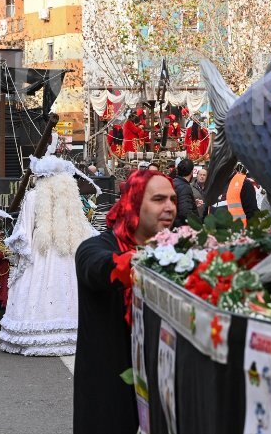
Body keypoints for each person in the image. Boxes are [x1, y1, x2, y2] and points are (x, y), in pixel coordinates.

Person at [74, 169, 176, 434]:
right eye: (158, 199)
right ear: (133, 202)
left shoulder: (176, 249)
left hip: (161, 387)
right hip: (111, 393)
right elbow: (95, 266)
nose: (169, 207)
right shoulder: (96, 247)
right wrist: (138, 262)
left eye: (173, 200)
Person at [0, 160, 95, 355]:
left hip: (40, 251)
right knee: (68, 289)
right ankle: (73, 332)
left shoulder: (33, 196)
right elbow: (85, 228)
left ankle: (34, 335)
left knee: (36, 288)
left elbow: (23, 230)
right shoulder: (70, 197)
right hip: (68, 251)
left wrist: (16, 249)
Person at [171, 159, 198, 227]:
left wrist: (192, 203)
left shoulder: (174, 182)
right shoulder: (184, 187)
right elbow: (185, 212)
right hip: (181, 228)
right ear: (191, 172)